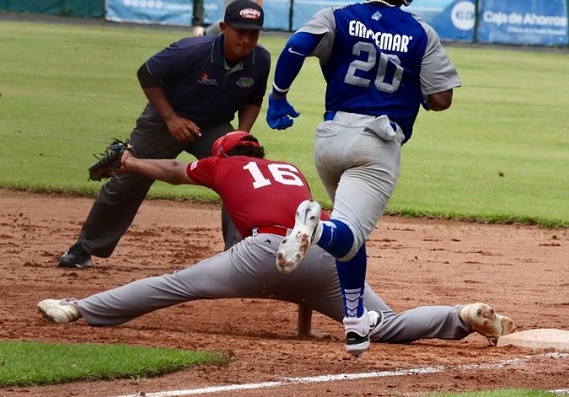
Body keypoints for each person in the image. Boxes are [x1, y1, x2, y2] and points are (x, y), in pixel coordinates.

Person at [38, 132, 516, 349]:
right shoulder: (292, 175)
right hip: (324, 256)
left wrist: (132, 164)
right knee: (381, 323)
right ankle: (459, 316)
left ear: (224, 153)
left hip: (261, 253)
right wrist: (305, 326)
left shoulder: (222, 163)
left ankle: (77, 307)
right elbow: (300, 256)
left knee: (176, 285)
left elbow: (173, 171)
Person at [265, 0, 462, 357]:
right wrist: (421, 92)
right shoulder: (419, 32)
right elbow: (442, 99)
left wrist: (279, 96)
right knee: (345, 232)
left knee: (350, 236)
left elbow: (296, 46)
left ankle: (355, 324)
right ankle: (313, 227)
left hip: (330, 138)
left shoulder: (335, 16)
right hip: (376, 145)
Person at [58, 0, 271, 269]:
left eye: (253, 33)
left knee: (240, 172)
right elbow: (146, 73)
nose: (247, 39)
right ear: (223, 27)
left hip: (214, 126)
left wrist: (240, 135)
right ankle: (84, 249)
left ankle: (239, 256)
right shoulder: (191, 51)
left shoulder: (260, 59)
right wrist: (171, 118)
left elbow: (254, 97)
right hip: (164, 120)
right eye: (240, 31)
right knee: (130, 175)